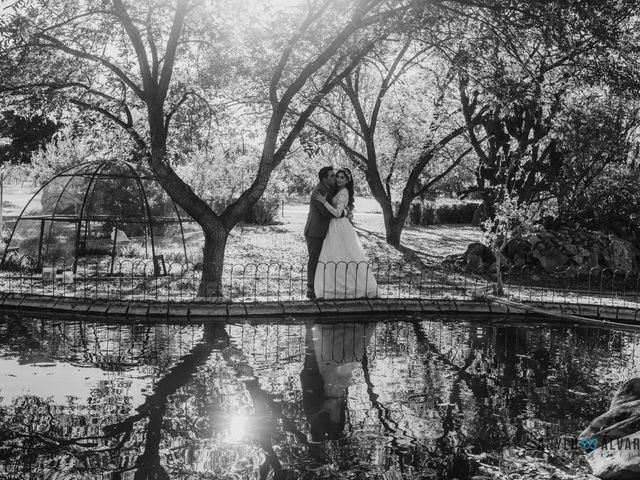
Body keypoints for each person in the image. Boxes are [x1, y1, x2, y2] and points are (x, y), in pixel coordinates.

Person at [312, 167, 377, 299]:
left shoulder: (344, 192)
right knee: (336, 256)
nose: (338, 179)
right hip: (334, 227)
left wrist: (324, 202)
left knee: (345, 255)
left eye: (342, 177)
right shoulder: (338, 190)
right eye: (337, 176)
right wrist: (348, 211)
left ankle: (351, 287)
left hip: (339, 226)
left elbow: (337, 213)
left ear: (347, 180)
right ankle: (336, 286)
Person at [304, 166, 337, 300]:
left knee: (318, 259)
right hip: (315, 230)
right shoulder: (320, 190)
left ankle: (317, 286)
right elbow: (325, 212)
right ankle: (310, 288)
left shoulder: (327, 189)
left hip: (320, 230)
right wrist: (342, 212)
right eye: (332, 176)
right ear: (324, 178)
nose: (334, 178)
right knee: (314, 260)